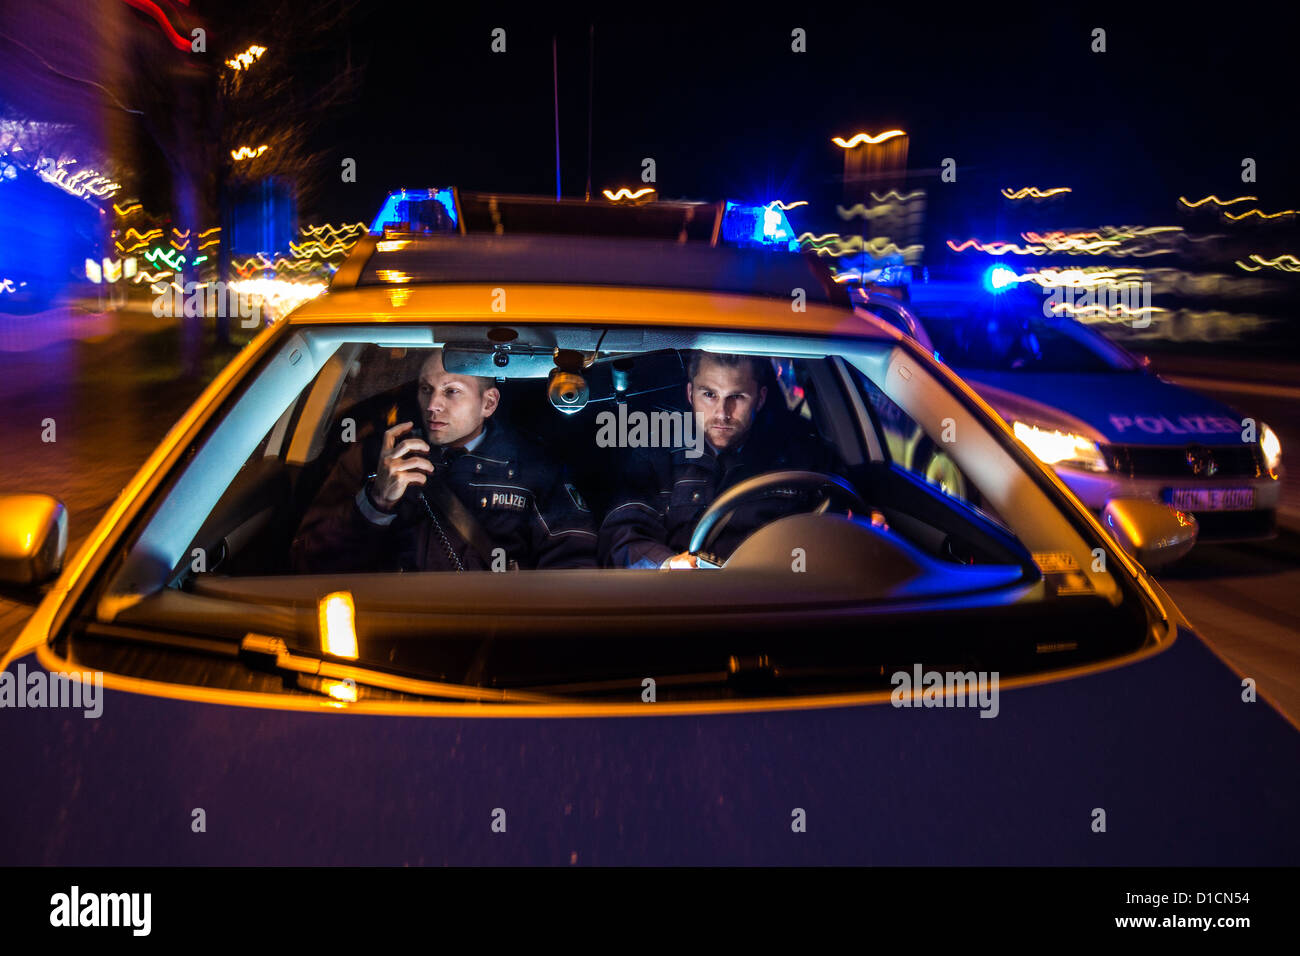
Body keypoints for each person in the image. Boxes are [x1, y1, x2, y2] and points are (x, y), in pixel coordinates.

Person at [291, 349, 597, 572]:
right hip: (385, 631)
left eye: (451, 391)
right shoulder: (375, 457)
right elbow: (306, 563)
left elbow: (575, 569)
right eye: (426, 389)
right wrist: (376, 502)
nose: (433, 405)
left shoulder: (534, 470)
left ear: (488, 403)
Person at [599, 351, 846, 569]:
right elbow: (623, 535)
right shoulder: (654, 452)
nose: (722, 414)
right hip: (684, 602)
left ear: (760, 399)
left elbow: (845, 516)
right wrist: (668, 564)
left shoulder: (802, 455)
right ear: (690, 394)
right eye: (709, 394)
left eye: (737, 397)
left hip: (779, 602)